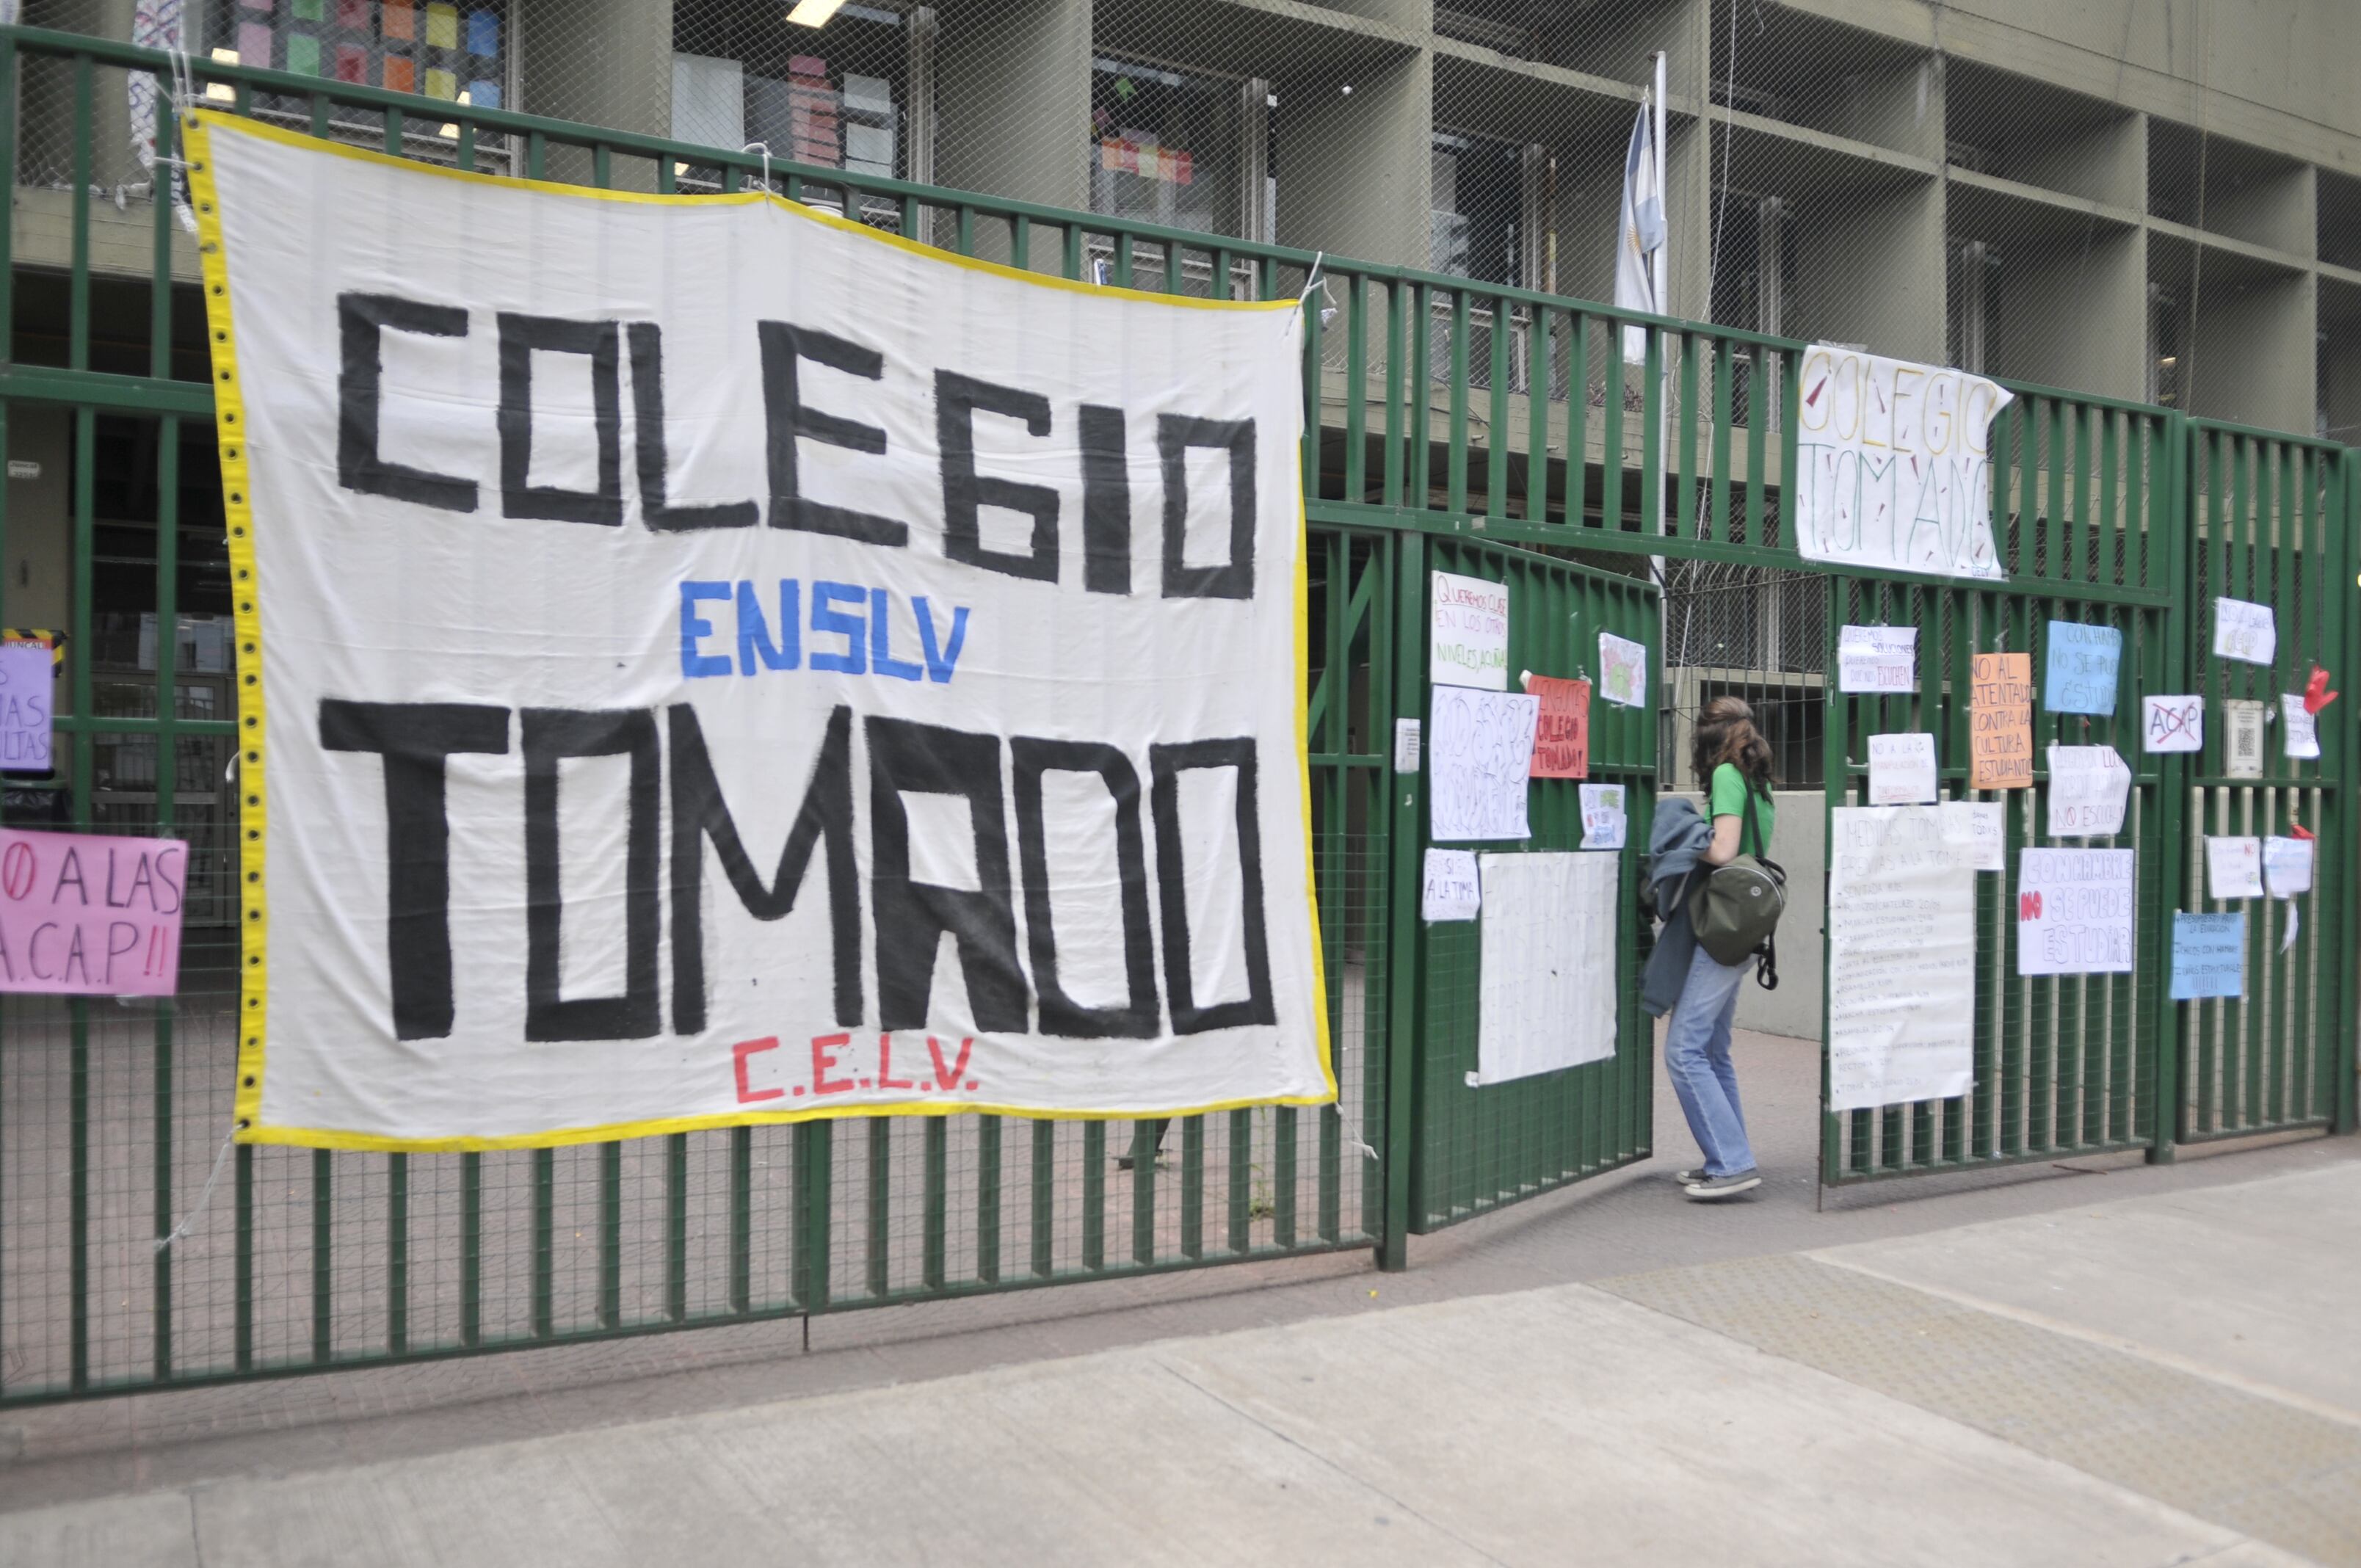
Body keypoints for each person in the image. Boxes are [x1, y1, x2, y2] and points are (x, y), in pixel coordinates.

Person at [1661, 695, 1776, 1201]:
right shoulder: (1757, 780)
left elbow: (1724, 850)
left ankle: (1732, 1161)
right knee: (1713, 1050)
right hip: (1744, 926)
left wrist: (1679, 836)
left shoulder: (1729, 776)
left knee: (1684, 1051)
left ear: (1712, 738)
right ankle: (1727, 1156)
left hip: (1722, 927)